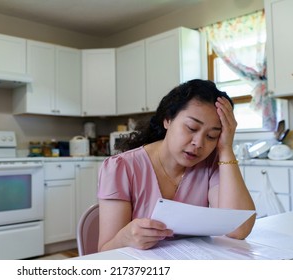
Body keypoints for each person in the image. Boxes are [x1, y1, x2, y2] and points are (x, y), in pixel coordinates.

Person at [97, 79, 256, 252]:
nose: (199, 143)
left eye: (211, 136)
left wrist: (226, 149)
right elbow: (104, 252)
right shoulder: (121, 167)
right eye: (191, 128)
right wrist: (124, 238)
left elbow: (239, 230)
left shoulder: (211, 164)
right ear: (168, 120)